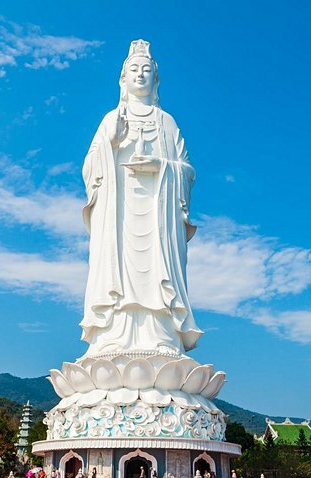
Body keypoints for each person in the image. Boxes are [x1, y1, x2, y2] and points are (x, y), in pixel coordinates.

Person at [80, 39, 202, 357]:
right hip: (118, 213)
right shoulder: (110, 119)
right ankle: (113, 336)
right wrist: (112, 142)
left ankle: (161, 335)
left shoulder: (167, 123)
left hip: (157, 214)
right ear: (123, 79)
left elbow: (187, 170)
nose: (140, 74)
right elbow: (89, 168)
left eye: (146, 69)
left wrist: (160, 166)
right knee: (116, 271)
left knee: (157, 273)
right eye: (134, 69)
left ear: (156, 79)